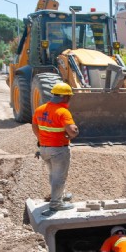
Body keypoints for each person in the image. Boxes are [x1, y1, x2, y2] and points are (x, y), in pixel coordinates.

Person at [32, 82, 79, 217]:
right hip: (59, 149)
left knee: (53, 174)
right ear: (65, 97)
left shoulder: (40, 109)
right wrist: (73, 132)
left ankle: (60, 195)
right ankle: (56, 203)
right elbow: (72, 131)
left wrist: (42, 139)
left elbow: (35, 126)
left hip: (44, 149)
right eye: (69, 96)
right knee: (59, 176)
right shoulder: (63, 112)